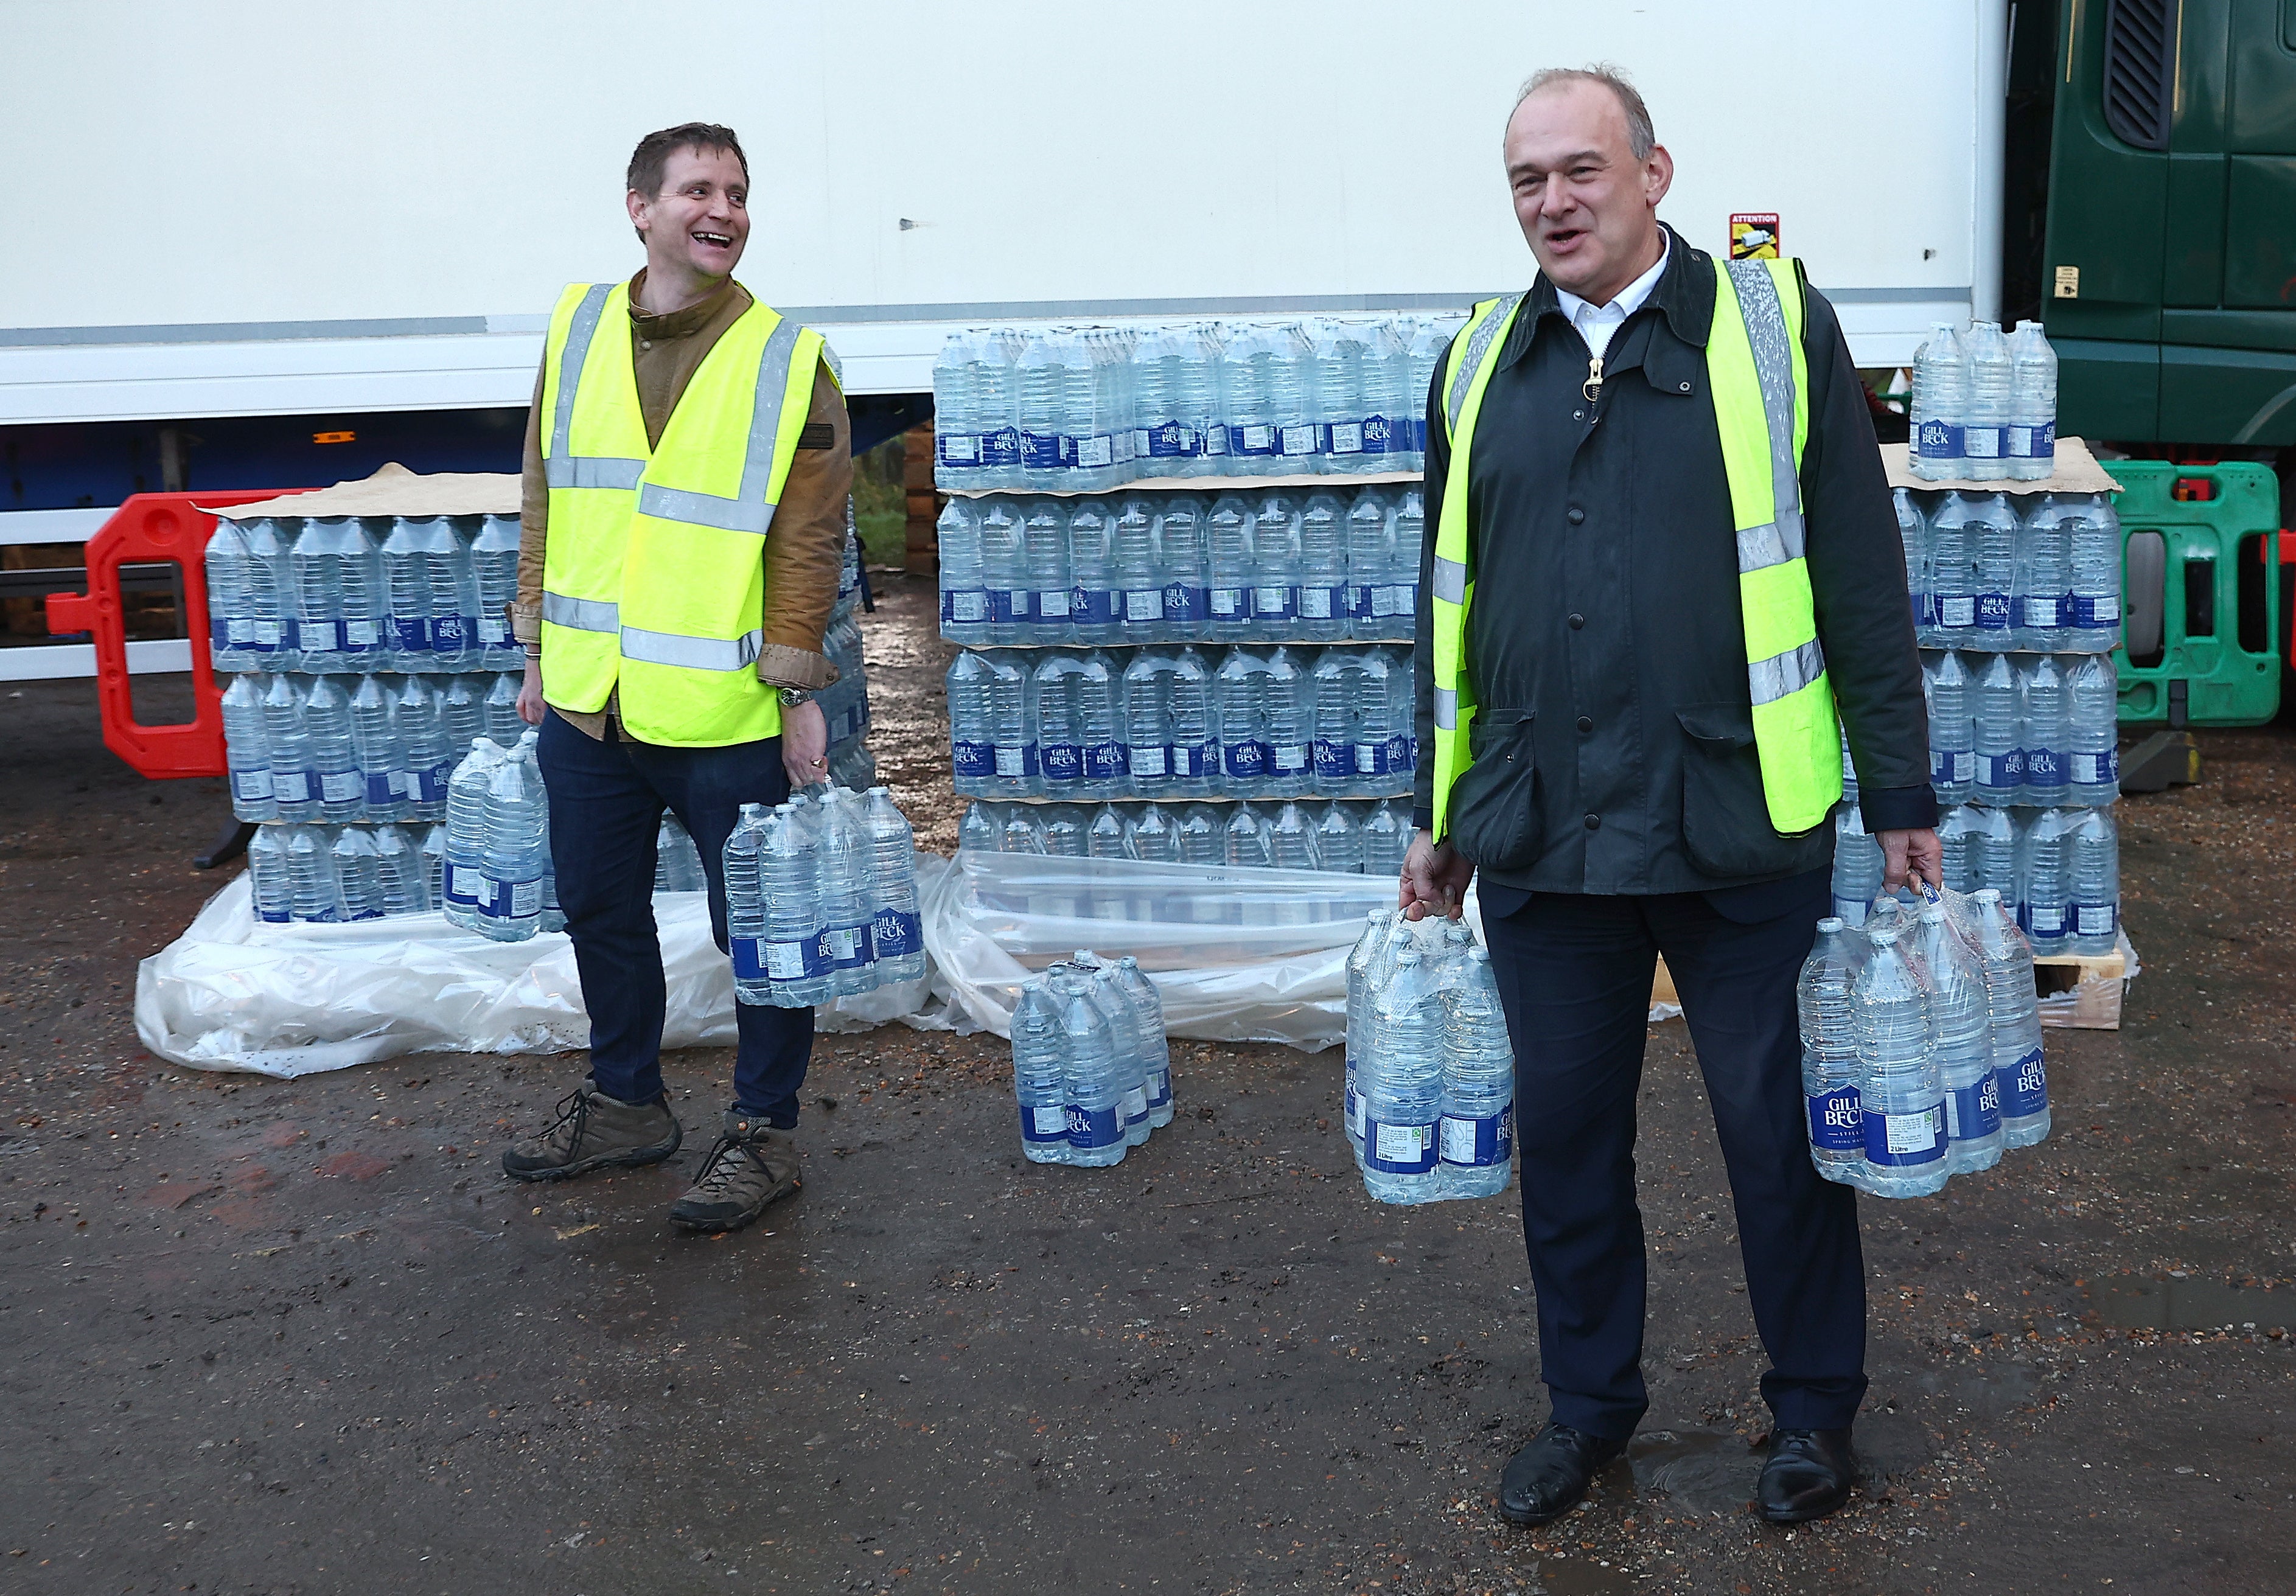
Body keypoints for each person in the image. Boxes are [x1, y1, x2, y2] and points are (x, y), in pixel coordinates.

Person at [1401, 68, 1939, 1526]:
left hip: (1733, 819)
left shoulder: (1769, 330)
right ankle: (1589, 1408)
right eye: (1528, 181)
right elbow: (1447, 609)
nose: (1555, 204)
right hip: (1542, 831)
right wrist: (1439, 811)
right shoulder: (1475, 361)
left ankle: (1813, 1415)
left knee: (1778, 1143)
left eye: (1583, 172)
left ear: (1654, 173)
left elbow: (1856, 572)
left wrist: (1900, 789)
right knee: (1569, 1148)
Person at [497, 123, 852, 1235]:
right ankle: (625, 1104)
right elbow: (547, 490)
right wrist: (538, 648)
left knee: (756, 926)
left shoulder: (790, 358)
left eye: (739, 194)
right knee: (599, 907)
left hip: (721, 707)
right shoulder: (578, 326)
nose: (725, 210)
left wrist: (799, 699)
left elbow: (808, 540)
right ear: (639, 207)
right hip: (588, 697)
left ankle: (763, 1131)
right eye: (700, 189)